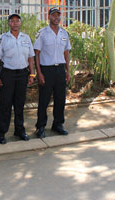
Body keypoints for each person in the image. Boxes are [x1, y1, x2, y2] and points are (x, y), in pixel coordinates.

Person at [0, 14, 35, 144]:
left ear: (20, 23)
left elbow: (30, 57)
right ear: (9, 23)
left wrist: (32, 74)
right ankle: (1, 133)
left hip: (22, 74)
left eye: (18, 21)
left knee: (19, 104)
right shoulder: (3, 38)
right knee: (5, 105)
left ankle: (19, 130)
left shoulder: (26, 38)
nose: (15, 23)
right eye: (12, 21)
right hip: (8, 75)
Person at [33, 7, 71, 138]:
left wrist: (68, 71)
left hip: (60, 69)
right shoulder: (42, 33)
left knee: (61, 99)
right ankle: (41, 126)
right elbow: (36, 54)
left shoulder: (64, 34)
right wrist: (39, 73)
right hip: (46, 70)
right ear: (48, 17)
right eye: (54, 15)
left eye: (58, 15)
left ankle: (58, 124)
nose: (56, 17)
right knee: (44, 100)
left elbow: (66, 53)